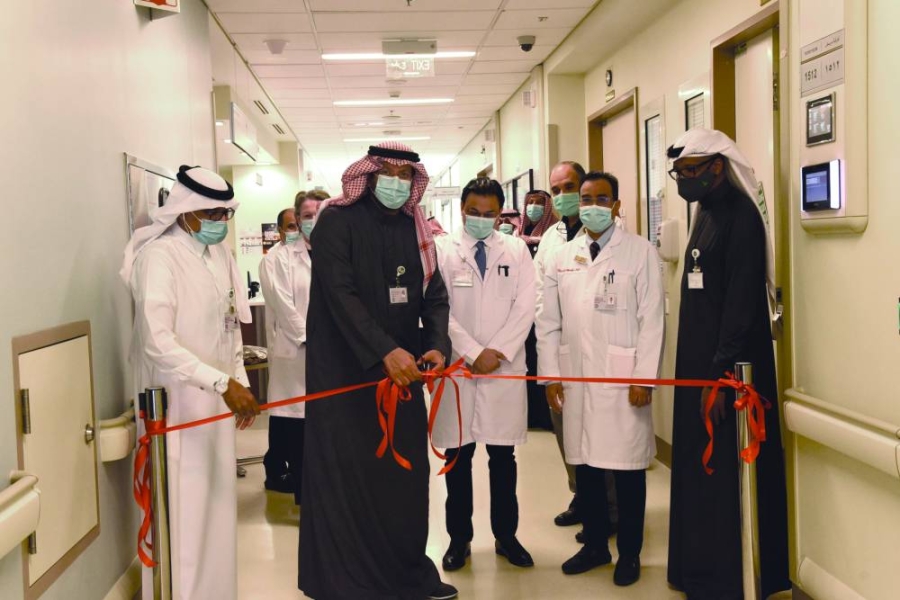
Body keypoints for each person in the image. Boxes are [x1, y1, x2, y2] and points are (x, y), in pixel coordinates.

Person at [298, 142, 457, 600]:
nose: (396, 182)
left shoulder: (415, 224)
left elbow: (435, 295)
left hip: (404, 376)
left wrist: (436, 345)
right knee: (351, 477)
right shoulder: (337, 220)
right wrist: (385, 350)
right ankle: (349, 583)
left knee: (405, 480)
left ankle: (408, 576)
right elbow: (339, 295)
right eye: (387, 171)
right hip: (346, 376)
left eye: (405, 175)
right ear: (367, 175)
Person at [122, 165, 260, 600]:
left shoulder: (219, 255)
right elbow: (157, 342)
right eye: (212, 215)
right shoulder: (159, 258)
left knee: (216, 510)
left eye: (225, 215)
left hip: (217, 406)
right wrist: (222, 384)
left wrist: (238, 381)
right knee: (183, 513)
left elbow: (230, 325)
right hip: (177, 407)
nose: (220, 224)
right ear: (185, 211)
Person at [666, 128, 789, 600]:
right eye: (679, 172)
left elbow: (740, 303)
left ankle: (725, 579)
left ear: (718, 167)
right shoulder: (705, 212)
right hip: (697, 363)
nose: (684, 180)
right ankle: (695, 569)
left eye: (691, 170)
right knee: (699, 468)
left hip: (731, 370)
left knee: (723, 469)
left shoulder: (741, 216)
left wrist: (721, 374)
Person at [537, 171, 664, 585]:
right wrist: (550, 376)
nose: (592, 205)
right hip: (574, 376)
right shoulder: (562, 256)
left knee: (627, 469)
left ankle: (629, 554)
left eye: (601, 198)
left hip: (623, 380)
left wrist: (644, 378)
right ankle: (594, 546)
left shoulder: (640, 252)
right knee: (586, 467)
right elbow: (548, 321)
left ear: (617, 205)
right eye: (586, 198)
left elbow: (652, 321)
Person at [433, 178, 536, 572]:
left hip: (503, 368)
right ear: (462, 210)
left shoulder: (516, 250)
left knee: (503, 458)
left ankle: (506, 537)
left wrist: (498, 351)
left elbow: (526, 306)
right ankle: (459, 540)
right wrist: (474, 353)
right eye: (473, 212)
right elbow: (438, 308)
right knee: (457, 457)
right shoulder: (442, 250)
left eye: (489, 213)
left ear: (500, 213)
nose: (480, 219)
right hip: (459, 368)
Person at [533, 161, 589, 531]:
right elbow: (539, 291)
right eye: (555, 190)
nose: (562, 196)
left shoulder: (608, 232)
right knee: (564, 427)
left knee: (598, 432)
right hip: (556, 344)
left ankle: (608, 506)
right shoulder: (551, 236)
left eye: (569, 187)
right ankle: (580, 496)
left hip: (594, 348)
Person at [258, 197, 315, 504]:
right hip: (294, 352)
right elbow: (283, 306)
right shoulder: (274, 260)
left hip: (320, 355)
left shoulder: (318, 253)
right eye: (291, 225)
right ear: (280, 230)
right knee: (291, 423)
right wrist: (309, 338)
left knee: (307, 425)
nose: (297, 229)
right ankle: (288, 481)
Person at [517, 189, 558, 431]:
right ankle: (530, 415)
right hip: (525, 313)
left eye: (539, 203)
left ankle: (545, 415)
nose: (534, 207)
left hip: (547, 311)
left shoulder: (554, 236)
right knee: (529, 361)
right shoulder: (518, 238)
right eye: (530, 202)